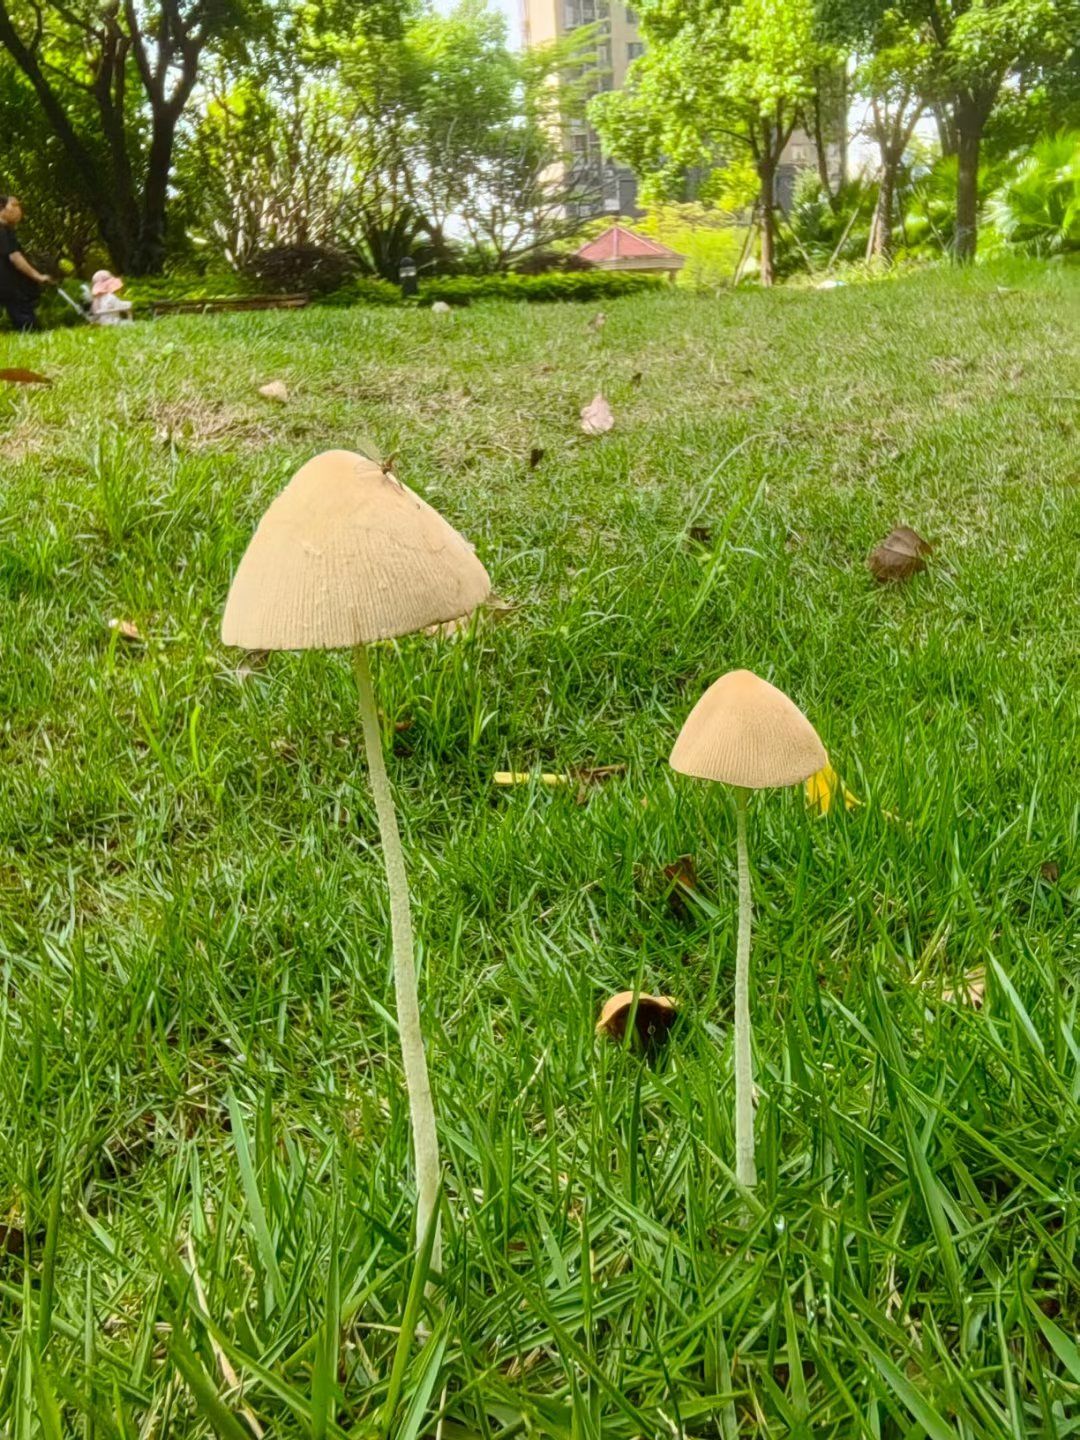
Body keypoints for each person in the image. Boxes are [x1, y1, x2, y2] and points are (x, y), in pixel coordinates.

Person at [0, 195, 54, 332]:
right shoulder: (3, 231)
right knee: (28, 324)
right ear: (2, 208)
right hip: (9, 286)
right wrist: (38, 276)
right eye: (15, 205)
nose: (19, 210)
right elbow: (15, 257)